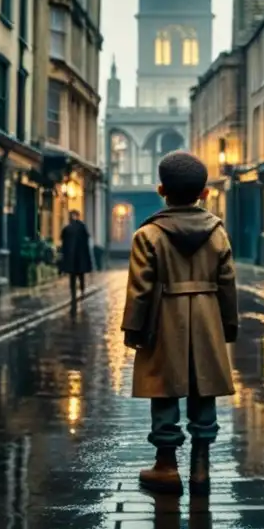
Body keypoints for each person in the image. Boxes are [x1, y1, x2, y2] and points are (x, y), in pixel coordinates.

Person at [121, 151, 238, 496]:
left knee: (164, 387)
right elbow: (227, 283)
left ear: (161, 189)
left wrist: (134, 329)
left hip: (163, 318)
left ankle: (166, 466)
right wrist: (228, 325)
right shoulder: (217, 232)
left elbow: (140, 288)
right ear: (203, 193)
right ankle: (201, 467)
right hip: (207, 319)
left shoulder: (149, 235)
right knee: (204, 388)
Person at [59, 210, 93, 300]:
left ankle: (74, 292)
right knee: (79, 275)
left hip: (72, 256)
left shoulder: (68, 228)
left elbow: (62, 240)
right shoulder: (81, 227)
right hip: (79, 257)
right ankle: (80, 290)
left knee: (73, 275)